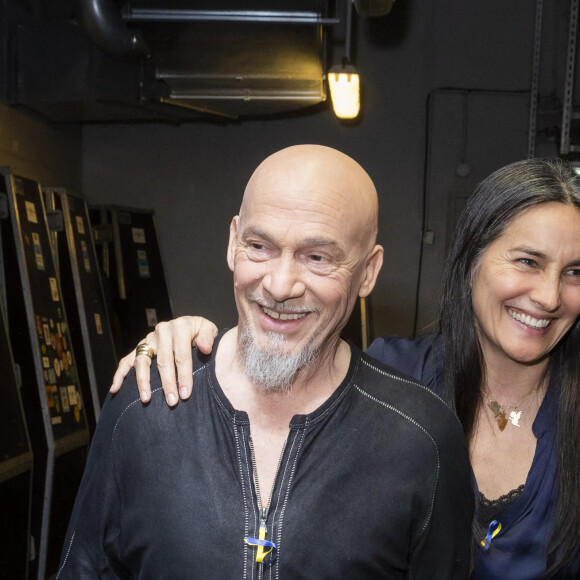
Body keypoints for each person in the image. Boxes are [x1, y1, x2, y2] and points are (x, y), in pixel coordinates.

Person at [112, 157, 580, 579]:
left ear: (368, 270)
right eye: (527, 261)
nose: (549, 296)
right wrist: (192, 344)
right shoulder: (392, 378)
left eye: (575, 272)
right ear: (471, 261)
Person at [59, 145, 473, 579]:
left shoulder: (423, 439)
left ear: (368, 271)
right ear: (233, 241)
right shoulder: (145, 403)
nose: (279, 286)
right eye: (260, 246)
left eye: (317, 257)